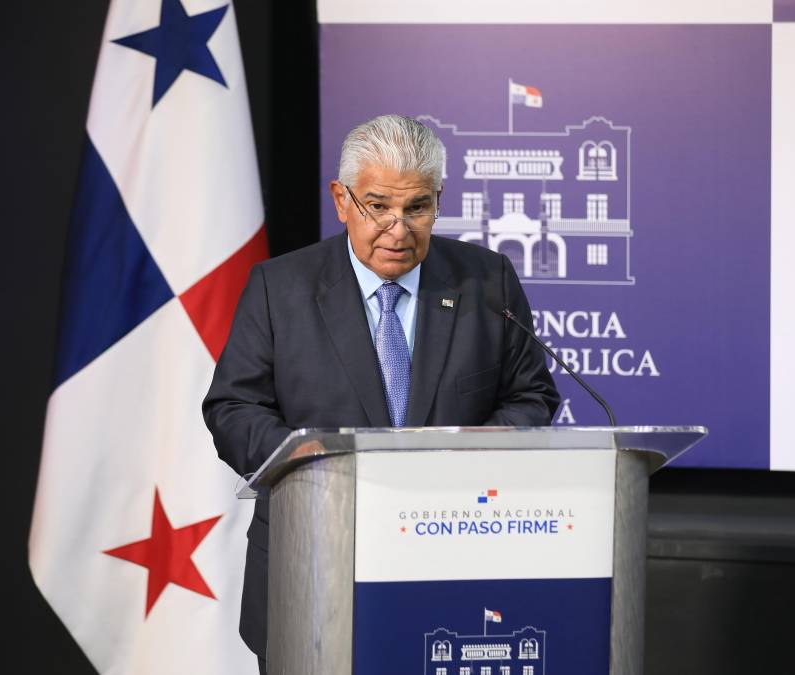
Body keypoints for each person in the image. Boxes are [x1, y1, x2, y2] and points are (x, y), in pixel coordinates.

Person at [202, 114, 560, 671]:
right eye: (378, 206)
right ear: (341, 200)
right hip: (314, 555)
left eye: (417, 207)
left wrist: (473, 449)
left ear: (439, 201)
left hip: (454, 553)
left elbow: (532, 395)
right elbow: (233, 406)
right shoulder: (280, 287)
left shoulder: (486, 280)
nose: (398, 229)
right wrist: (299, 460)